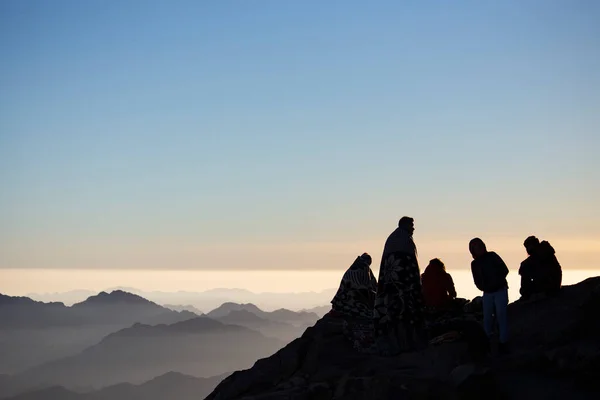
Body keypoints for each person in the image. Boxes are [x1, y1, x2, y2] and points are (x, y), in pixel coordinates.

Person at [373, 216, 426, 355]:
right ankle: (406, 345)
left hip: (390, 287)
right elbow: (410, 267)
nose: (413, 228)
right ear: (405, 225)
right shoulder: (406, 241)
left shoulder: (392, 239)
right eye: (412, 225)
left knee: (393, 313)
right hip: (403, 287)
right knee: (404, 314)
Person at [469, 238, 509, 354]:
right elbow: (476, 279)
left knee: (501, 315)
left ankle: (503, 342)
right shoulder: (475, 264)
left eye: (480, 245)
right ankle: (486, 343)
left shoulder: (492, 256)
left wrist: (496, 282)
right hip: (487, 293)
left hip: (500, 290)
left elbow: (504, 270)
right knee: (487, 318)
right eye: (476, 247)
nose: (479, 248)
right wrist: (483, 287)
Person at [330, 253, 378, 352]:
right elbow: (367, 287)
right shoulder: (363, 270)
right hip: (353, 303)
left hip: (341, 302)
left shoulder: (351, 269)